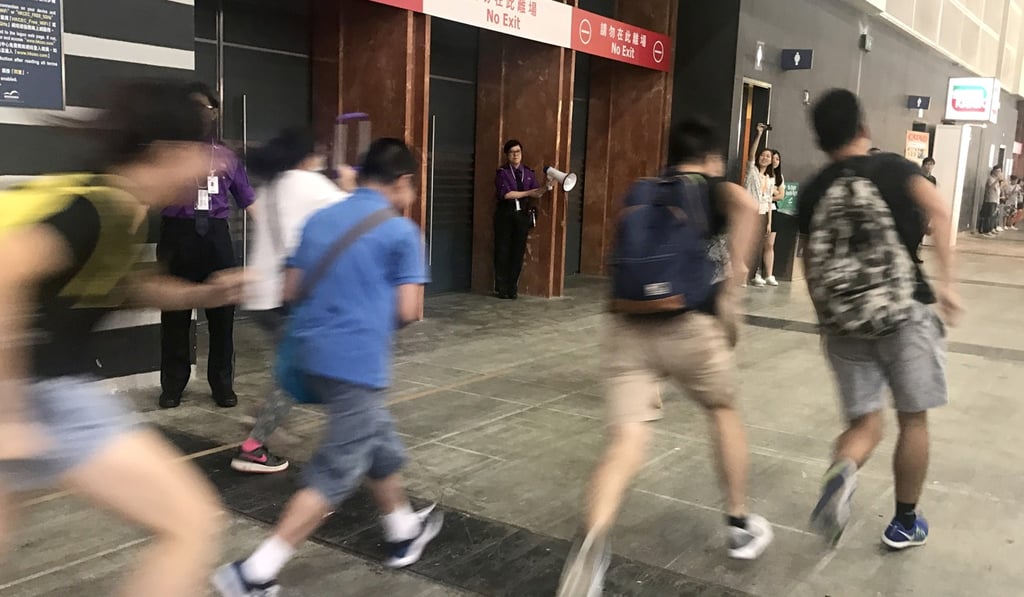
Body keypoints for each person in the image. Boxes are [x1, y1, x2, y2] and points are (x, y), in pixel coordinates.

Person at [0, 79, 247, 597]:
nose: (215, 163)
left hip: (40, 389)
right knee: (191, 525)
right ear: (165, 153)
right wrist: (9, 416)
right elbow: (6, 270)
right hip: (42, 393)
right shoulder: (100, 207)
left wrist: (204, 293)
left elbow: (116, 288)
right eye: (203, 149)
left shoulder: (120, 208)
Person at [213, 138, 443, 597]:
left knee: (376, 438)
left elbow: (293, 288)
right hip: (356, 363)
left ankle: (401, 529)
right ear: (402, 182)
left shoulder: (323, 217)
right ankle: (255, 573)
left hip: (307, 356)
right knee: (336, 470)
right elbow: (410, 310)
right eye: (412, 185)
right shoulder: (402, 233)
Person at [555, 118, 772, 597]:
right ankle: (738, 523)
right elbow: (748, 205)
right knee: (722, 410)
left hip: (626, 325)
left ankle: (592, 538)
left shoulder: (644, 189)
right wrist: (734, 281)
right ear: (712, 157)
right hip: (687, 324)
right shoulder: (707, 184)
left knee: (626, 441)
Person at [799, 88, 962, 551]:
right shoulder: (891, 168)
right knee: (913, 420)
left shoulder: (814, 189)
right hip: (904, 310)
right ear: (864, 128)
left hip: (845, 322)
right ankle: (905, 523)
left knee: (864, 424)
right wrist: (948, 283)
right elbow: (939, 210)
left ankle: (844, 470)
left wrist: (827, 316)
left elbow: (810, 260)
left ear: (820, 141)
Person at [231, 128, 350, 474]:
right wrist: (347, 181)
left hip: (262, 297)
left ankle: (260, 417)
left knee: (296, 367)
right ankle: (253, 446)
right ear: (306, 157)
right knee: (300, 372)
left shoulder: (272, 186)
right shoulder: (307, 183)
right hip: (286, 297)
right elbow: (355, 212)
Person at [158, 82, 256, 409]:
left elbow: (248, 200)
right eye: (194, 108)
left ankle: (222, 384)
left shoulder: (227, 157)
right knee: (175, 316)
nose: (201, 115)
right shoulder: (167, 154)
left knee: (222, 316)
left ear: (216, 113)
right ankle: (173, 385)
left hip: (216, 237)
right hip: (177, 234)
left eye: (207, 108)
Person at [493, 139, 547, 299]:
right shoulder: (502, 173)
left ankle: (512, 287)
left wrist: (546, 186)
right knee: (503, 250)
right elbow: (506, 194)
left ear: (521, 154)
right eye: (512, 152)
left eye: (518, 152)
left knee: (518, 252)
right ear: (507, 155)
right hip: (505, 214)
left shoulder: (528, 172)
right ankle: (501, 287)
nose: (515, 155)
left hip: (522, 215)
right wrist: (528, 193)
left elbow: (536, 192)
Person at [744, 124, 777, 286]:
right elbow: (751, 155)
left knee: (758, 245)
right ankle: (741, 274)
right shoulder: (752, 172)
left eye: (768, 156)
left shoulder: (770, 179)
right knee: (745, 242)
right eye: (763, 155)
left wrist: (769, 221)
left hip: (763, 214)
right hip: (749, 212)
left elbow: (770, 201)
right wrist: (759, 134)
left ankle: (755, 273)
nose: (765, 158)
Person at [980, 166, 1005, 236]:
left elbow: (1000, 188)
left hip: (996, 200)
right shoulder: (990, 178)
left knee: (994, 216)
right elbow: (990, 187)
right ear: (994, 171)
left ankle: (991, 228)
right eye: (997, 171)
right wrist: (997, 180)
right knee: (989, 215)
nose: (999, 173)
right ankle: (986, 230)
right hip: (990, 199)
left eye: (1000, 171)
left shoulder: (996, 180)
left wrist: (1001, 182)